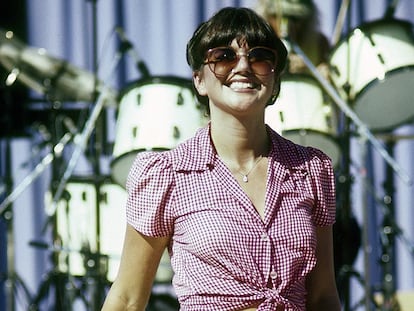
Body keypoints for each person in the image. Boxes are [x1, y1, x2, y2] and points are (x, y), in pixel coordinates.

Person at [101, 7, 341, 311]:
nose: (243, 66)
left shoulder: (310, 170)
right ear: (200, 80)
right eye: (223, 57)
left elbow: (323, 296)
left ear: (274, 80)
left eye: (259, 56)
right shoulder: (168, 174)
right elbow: (127, 298)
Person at [255, 0, 331, 77]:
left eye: (294, 19)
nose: (287, 26)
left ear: (306, 20)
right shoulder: (255, 42)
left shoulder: (320, 43)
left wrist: (314, 72)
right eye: (279, 17)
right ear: (267, 16)